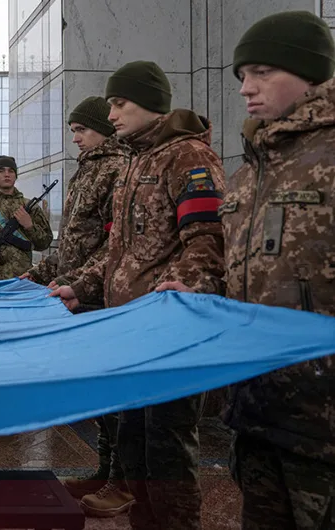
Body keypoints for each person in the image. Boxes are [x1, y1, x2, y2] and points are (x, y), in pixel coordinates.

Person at [51, 61, 226, 530]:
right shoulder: (136, 162)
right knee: (134, 447)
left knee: (167, 452)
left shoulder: (187, 157)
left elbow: (208, 240)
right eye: (110, 104)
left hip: (166, 331)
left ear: (150, 104)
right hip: (129, 329)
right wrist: (82, 284)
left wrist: (185, 287)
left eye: (119, 103)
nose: (112, 115)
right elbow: (121, 251)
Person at [201, 12, 333, 529]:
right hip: (257, 413)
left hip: (323, 425)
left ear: (309, 72)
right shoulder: (248, 172)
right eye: (240, 76)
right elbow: (236, 270)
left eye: (260, 72)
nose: (245, 89)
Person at [23, 96, 132, 516]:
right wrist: (37, 273)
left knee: (112, 393)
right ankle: (104, 469)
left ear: (102, 129)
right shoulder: (89, 169)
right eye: (72, 129)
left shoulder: (116, 168)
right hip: (77, 298)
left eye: (81, 129)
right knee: (96, 394)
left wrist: (77, 282)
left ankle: (121, 482)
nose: (74, 136)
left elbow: (114, 245)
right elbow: (72, 240)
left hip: (99, 298)